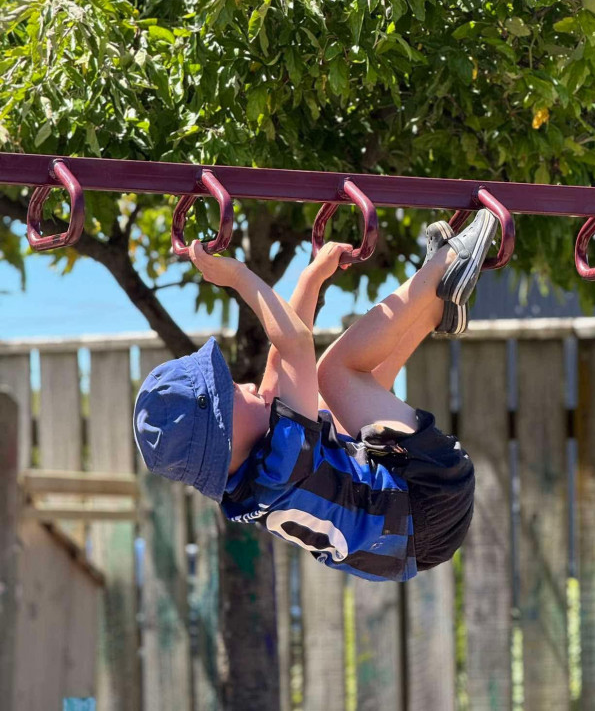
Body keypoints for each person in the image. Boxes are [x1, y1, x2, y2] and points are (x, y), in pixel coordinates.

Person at [133, 210, 498, 581]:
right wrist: (238, 277)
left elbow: (281, 361)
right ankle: (450, 263)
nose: (245, 385)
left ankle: (435, 304)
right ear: (222, 438)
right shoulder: (279, 469)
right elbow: (294, 345)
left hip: (409, 532)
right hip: (428, 499)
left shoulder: (247, 485)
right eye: (231, 393)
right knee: (334, 374)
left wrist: (312, 277)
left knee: (334, 408)